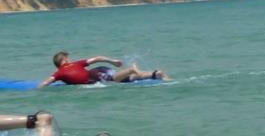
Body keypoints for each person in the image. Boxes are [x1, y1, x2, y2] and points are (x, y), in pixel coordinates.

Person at [38, 51, 169, 87]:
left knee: (114, 79)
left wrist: (36, 90)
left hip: (96, 75)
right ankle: (156, 74)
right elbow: (97, 58)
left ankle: (131, 69)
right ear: (65, 60)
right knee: (127, 79)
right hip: (99, 70)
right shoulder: (76, 64)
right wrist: (113, 61)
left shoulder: (59, 72)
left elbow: (46, 82)